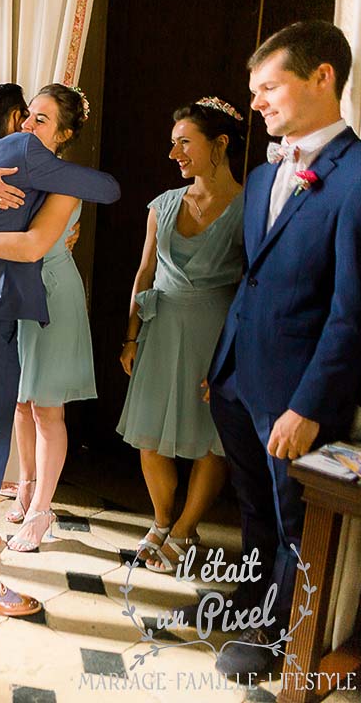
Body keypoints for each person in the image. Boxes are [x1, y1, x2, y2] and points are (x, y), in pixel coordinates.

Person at [205, 20, 361, 677]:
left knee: (296, 522)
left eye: (269, 87)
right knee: (254, 508)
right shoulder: (261, 174)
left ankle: (282, 641)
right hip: (238, 382)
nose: (256, 103)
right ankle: (253, 597)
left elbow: (355, 314)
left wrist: (307, 406)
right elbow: (255, 279)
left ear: (322, 78)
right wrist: (222, 371)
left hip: (297, 396)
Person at [0, 83, 120, 616]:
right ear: (17, 117)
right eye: (29, 116)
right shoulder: (20, 153)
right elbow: (108, 188)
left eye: (44, 120)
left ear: (63, 132)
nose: (32, 127)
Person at [115, 98, 245, 574]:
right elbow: (144, 271)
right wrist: (130, 336)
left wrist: (236, 358)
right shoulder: (164, 204)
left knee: (212, 439)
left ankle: (188, 529)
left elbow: (254, 285)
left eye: (184, 143)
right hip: (160, 329)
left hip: (215, 333)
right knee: (150, 435)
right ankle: (162, 521)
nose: (175, 154)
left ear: (220, 144)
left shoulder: (250, 207)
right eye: (173, 145)